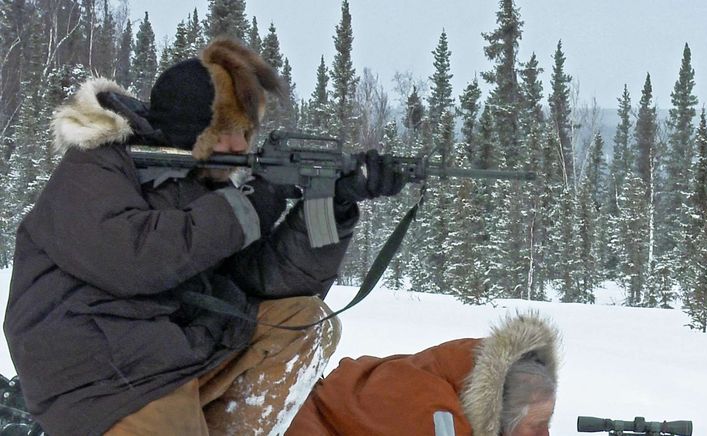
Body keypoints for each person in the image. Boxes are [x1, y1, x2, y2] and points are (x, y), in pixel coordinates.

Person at [3, 37, 406, 435]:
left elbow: (264, 282)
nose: (240, 145)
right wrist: (252, 204)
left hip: (171, 350)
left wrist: (332, 205)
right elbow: (134, 260)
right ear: (190, 126)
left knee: (303, 320)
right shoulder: (98, 164)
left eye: (247, 131)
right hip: (98, 370)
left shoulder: (203, 185)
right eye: (227, 130)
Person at [286, 311, 560, 436]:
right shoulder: (438, 419)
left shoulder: (459, 381)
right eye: (537, 424)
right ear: (500, 413)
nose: (545, 434)